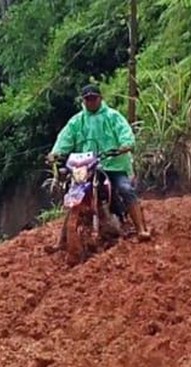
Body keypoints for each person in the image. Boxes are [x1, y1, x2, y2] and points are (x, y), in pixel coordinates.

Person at [46, 84, 151, 251]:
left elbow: (125, 132)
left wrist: (125, 145)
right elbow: (65, 138)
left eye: (93, 98)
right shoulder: (77, 121)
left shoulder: (113, 117)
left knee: (125, 188)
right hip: (86, 167)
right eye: (87, 99)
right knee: (74, 194)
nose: (91, 102)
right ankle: (61, 242)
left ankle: (141, 229)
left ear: (100, 98)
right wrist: (55, 153)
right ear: (83, 101)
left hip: (113, 165)